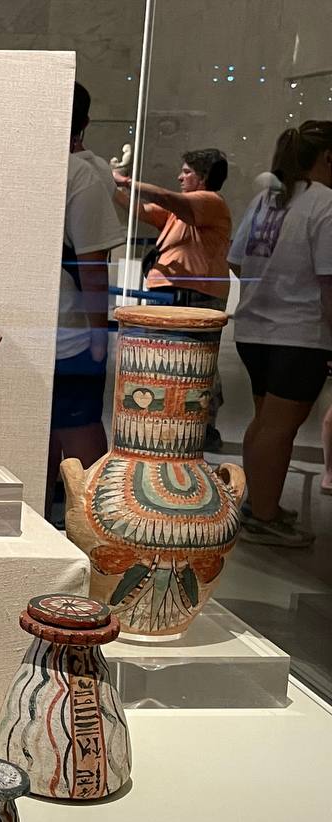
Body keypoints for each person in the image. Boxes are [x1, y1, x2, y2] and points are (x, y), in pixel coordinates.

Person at [228, 120, 332, 546]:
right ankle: (264, 515)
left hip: (255, 330)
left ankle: (260, 503)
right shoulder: (324, 202)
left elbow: (236, 260)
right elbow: (329, 280)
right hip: (299, 334)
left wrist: (268, 288)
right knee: (277, 428)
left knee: (265, 424)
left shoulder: (267, 198)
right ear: (327, 157)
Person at [115, 147, 233, 449]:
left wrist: (125, 181)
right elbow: (141, 210)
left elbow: (166, 198)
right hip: (174, 295)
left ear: (203, 177)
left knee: (195, 363)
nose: (180, 177)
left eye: (187, 172)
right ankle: (172, 421)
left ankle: (199, 428)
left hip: (193, 297)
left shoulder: (209, 202)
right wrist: (112, 184)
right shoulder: (182, 212)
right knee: (165, 361)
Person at [46, 83, 126, 518]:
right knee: (81, 435)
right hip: (69, 333)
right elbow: (93, 269)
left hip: (27, 329)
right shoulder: (81, 174)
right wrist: (100, 338)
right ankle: (96, 530)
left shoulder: (27, 167)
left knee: (40, 438)